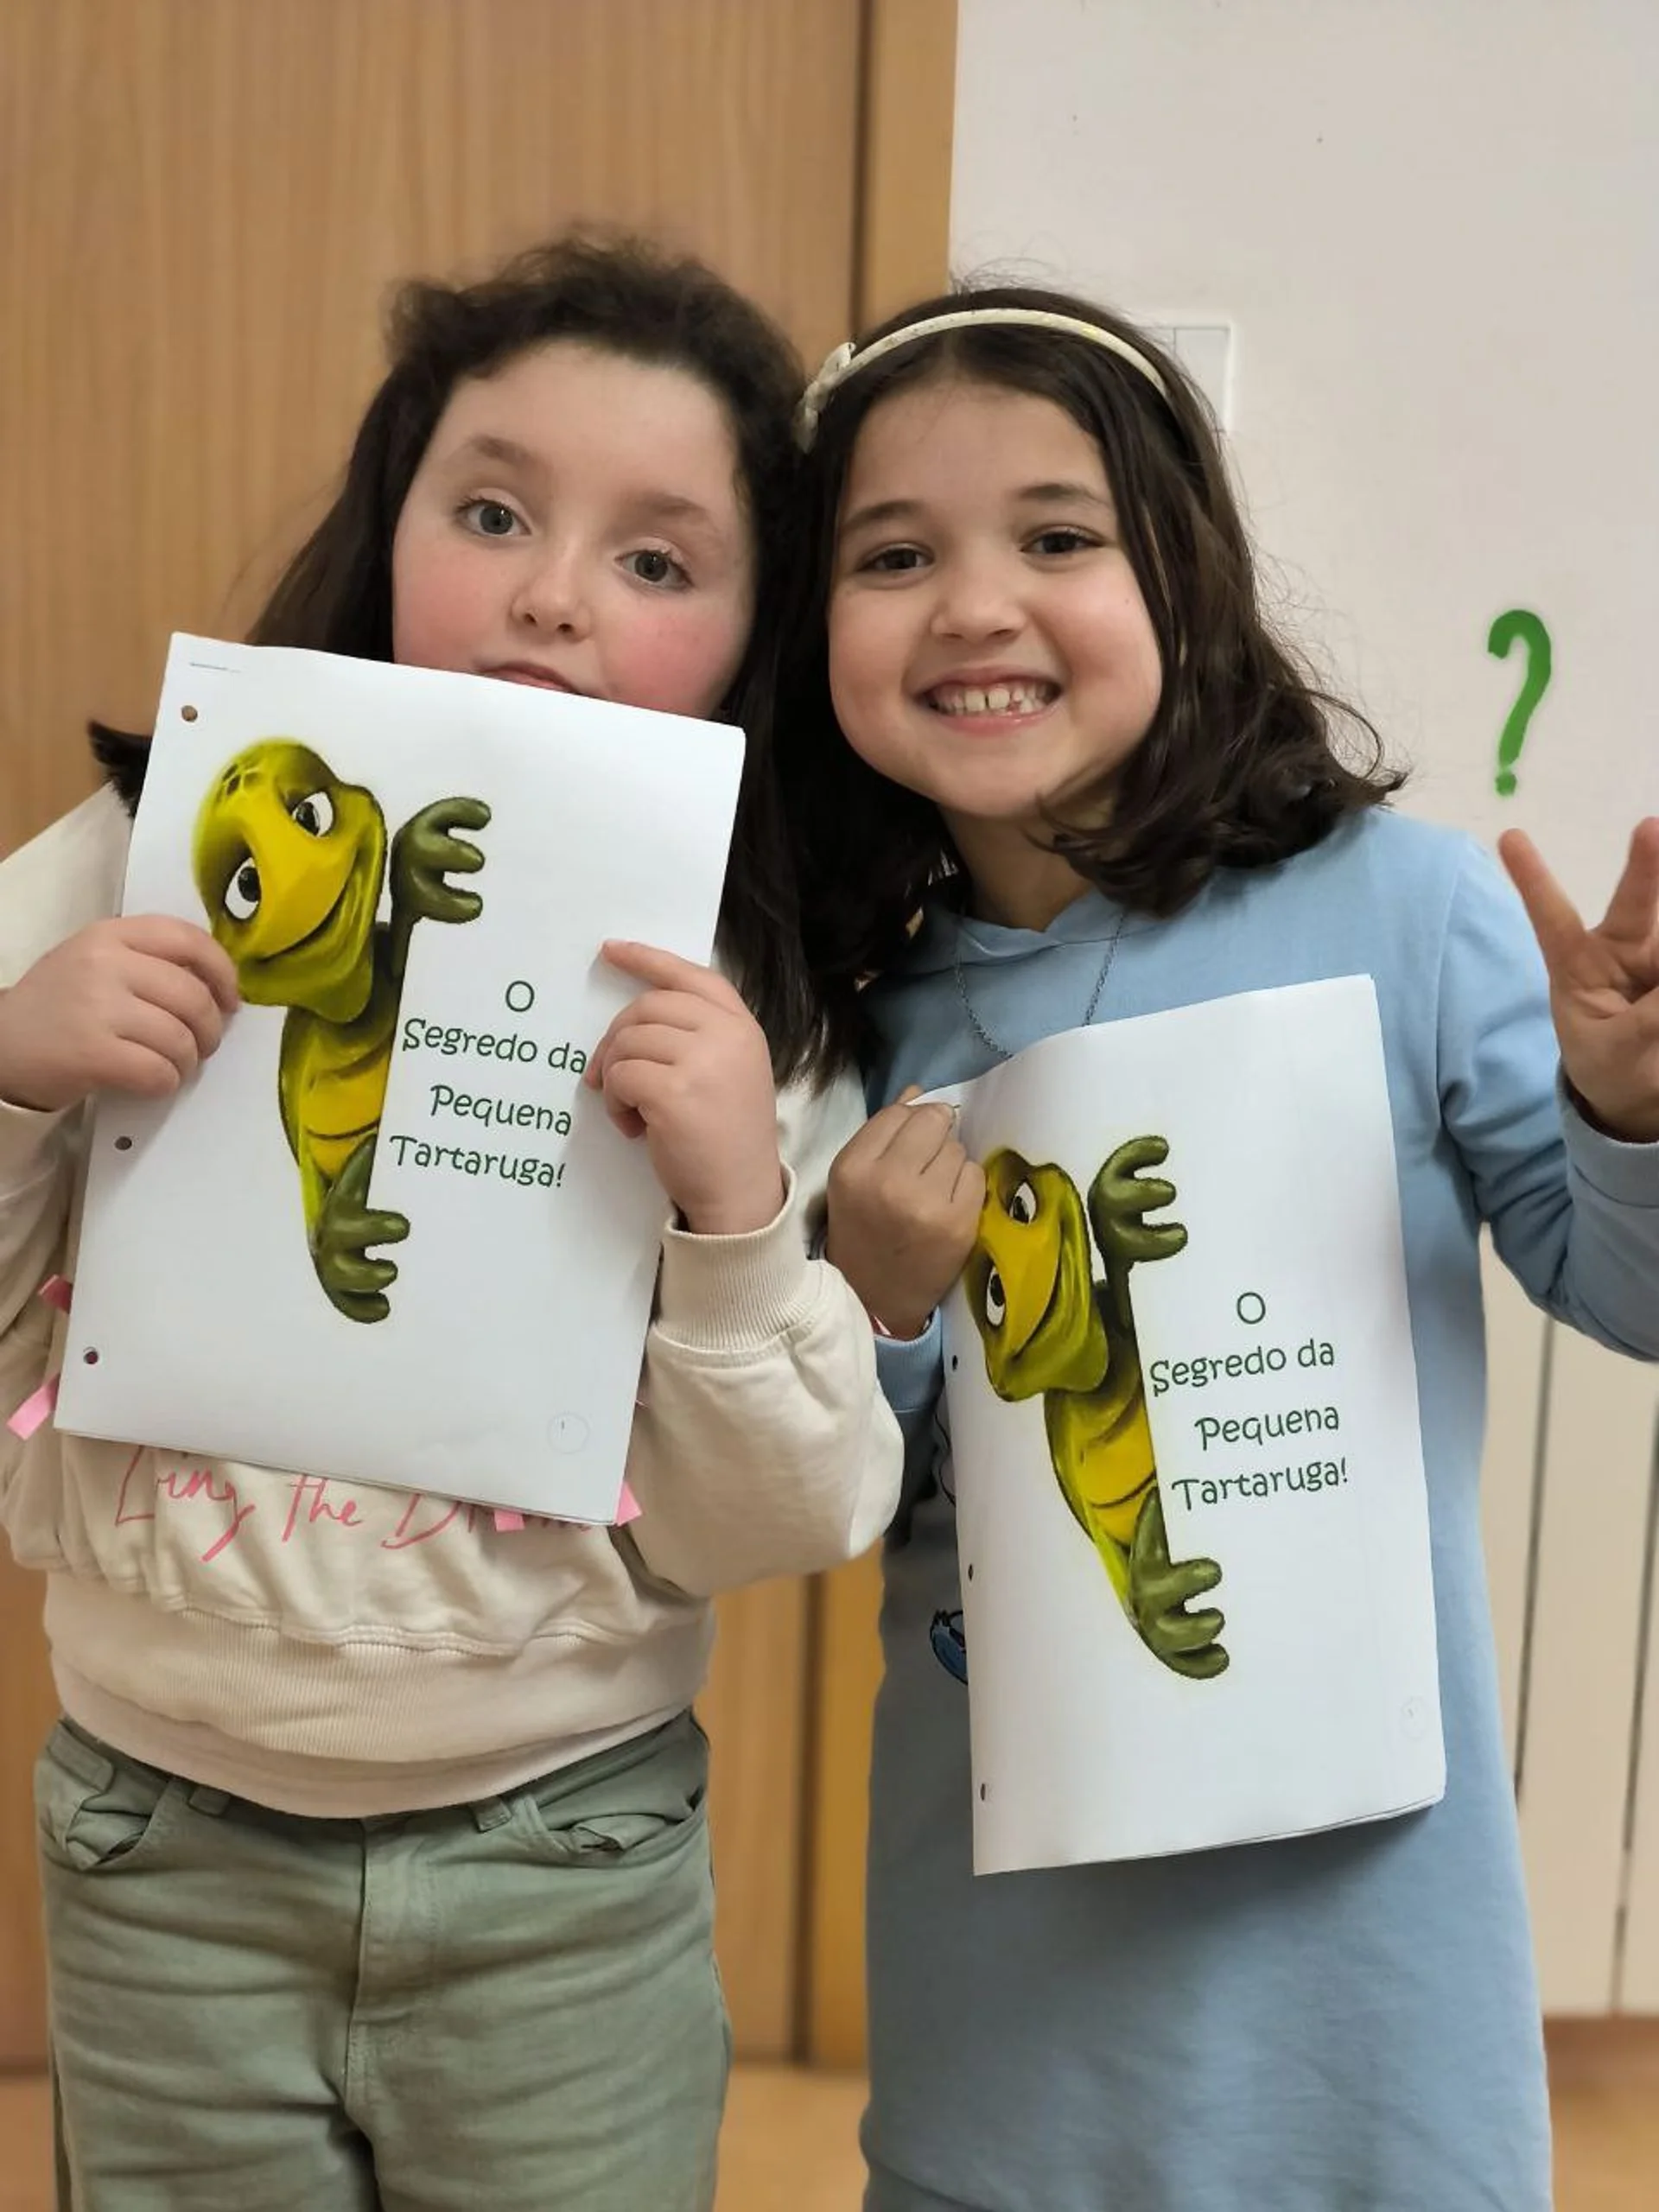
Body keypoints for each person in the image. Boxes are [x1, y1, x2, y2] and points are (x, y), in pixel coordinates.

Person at [0, 232, 900, 2212]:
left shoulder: (754, 1008)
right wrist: (11, 1072)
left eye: (656, 560)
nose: (552, 596)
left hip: (562, 1857)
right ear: (387, 517)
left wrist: (739, 1208)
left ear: (753, 639)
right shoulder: (132, 867)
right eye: (491, 510)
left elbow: (780, 1517)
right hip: (161, 1839)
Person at [780, 281, 1659, 2212]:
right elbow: (826, 1483)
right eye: (893, 552)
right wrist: (879, 1298)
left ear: (1179, 574)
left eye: (1058, 535)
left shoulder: (1410, 912)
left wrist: (1627, 1114)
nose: (975, 603)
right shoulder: (844, 1016)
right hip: (1009, 1969)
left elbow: (1630, 1289)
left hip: (1367, 1963)